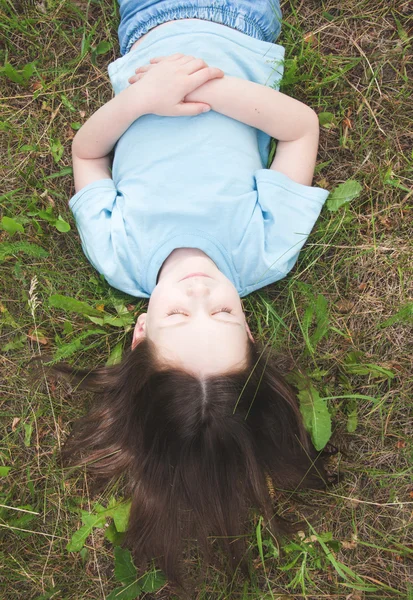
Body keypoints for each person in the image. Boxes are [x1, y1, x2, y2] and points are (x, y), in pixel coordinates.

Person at [61, 0, 335, 591]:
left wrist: (143, 100)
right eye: (227, 313)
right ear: (251, 330)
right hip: (243, 24)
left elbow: (87, 152)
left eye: (180, 315)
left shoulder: (118, 253)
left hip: (148, 24)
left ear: (141, 333)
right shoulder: (264, 251)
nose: (202, 291)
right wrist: (213, 85)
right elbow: (299, 129)